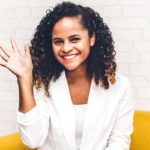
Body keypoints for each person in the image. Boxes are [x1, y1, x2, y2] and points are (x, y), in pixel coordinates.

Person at [0, 1, 134, 150]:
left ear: (91, 38)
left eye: (74, 39)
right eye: (58, 42)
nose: (66, 48)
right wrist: (24, 79)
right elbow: (33, 140)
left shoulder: (120, 86)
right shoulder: (44, 84)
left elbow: (119, 141)